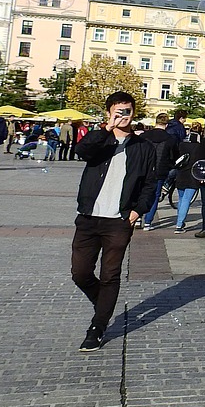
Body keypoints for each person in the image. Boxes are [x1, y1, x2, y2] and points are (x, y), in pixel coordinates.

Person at [70, 92, 158, 351]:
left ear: (134, 113)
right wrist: (106, 129)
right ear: (109, 112)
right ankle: (104, 304)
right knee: (80, 273)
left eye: (127, 111)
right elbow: (81, 152)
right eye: (118, 111)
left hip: (118, 220)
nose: (123, 116)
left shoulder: (143, 147)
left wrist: (137, 211)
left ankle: (97, 327)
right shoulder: (101, 141)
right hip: (88, 217)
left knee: (110, 275)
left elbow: (150, 183)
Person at [138, 113, 177, 230]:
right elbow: (173, 156)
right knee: (155, 196)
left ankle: (138, 217)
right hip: (160, 170)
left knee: (140, 192)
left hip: (143, 169)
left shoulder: (144, 136)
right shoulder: (170, 139)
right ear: (167, 124)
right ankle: (148, 222)